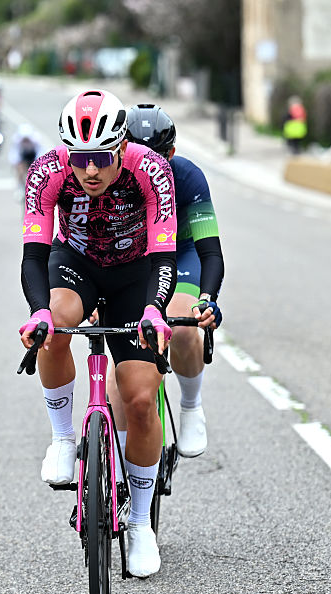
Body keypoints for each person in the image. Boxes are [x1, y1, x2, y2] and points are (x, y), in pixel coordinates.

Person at [18, 89, 179, 578]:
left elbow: (165, 254)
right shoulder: (47, 172)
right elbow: (33, 255)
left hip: (138, 273)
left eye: (102, 160)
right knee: (56, 322)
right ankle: (63, 439)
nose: (90, 172)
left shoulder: (151, 170)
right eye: (81, 160)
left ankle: (139, 525)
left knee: (137, 399)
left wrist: (155, 308)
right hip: (78, 265)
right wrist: (38, 313)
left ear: (122, 148)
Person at [110, 104, 224, 459]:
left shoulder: (188, 178)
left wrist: (206, 298)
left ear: (170, 154)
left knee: (184, 327)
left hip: (180, 254)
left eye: (155, 156)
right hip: (132, 260)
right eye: (134, 153)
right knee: (121, 366)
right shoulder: (108, 176)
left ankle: (191, 406)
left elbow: (210, 252)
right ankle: (118, 464)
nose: (146, 165)